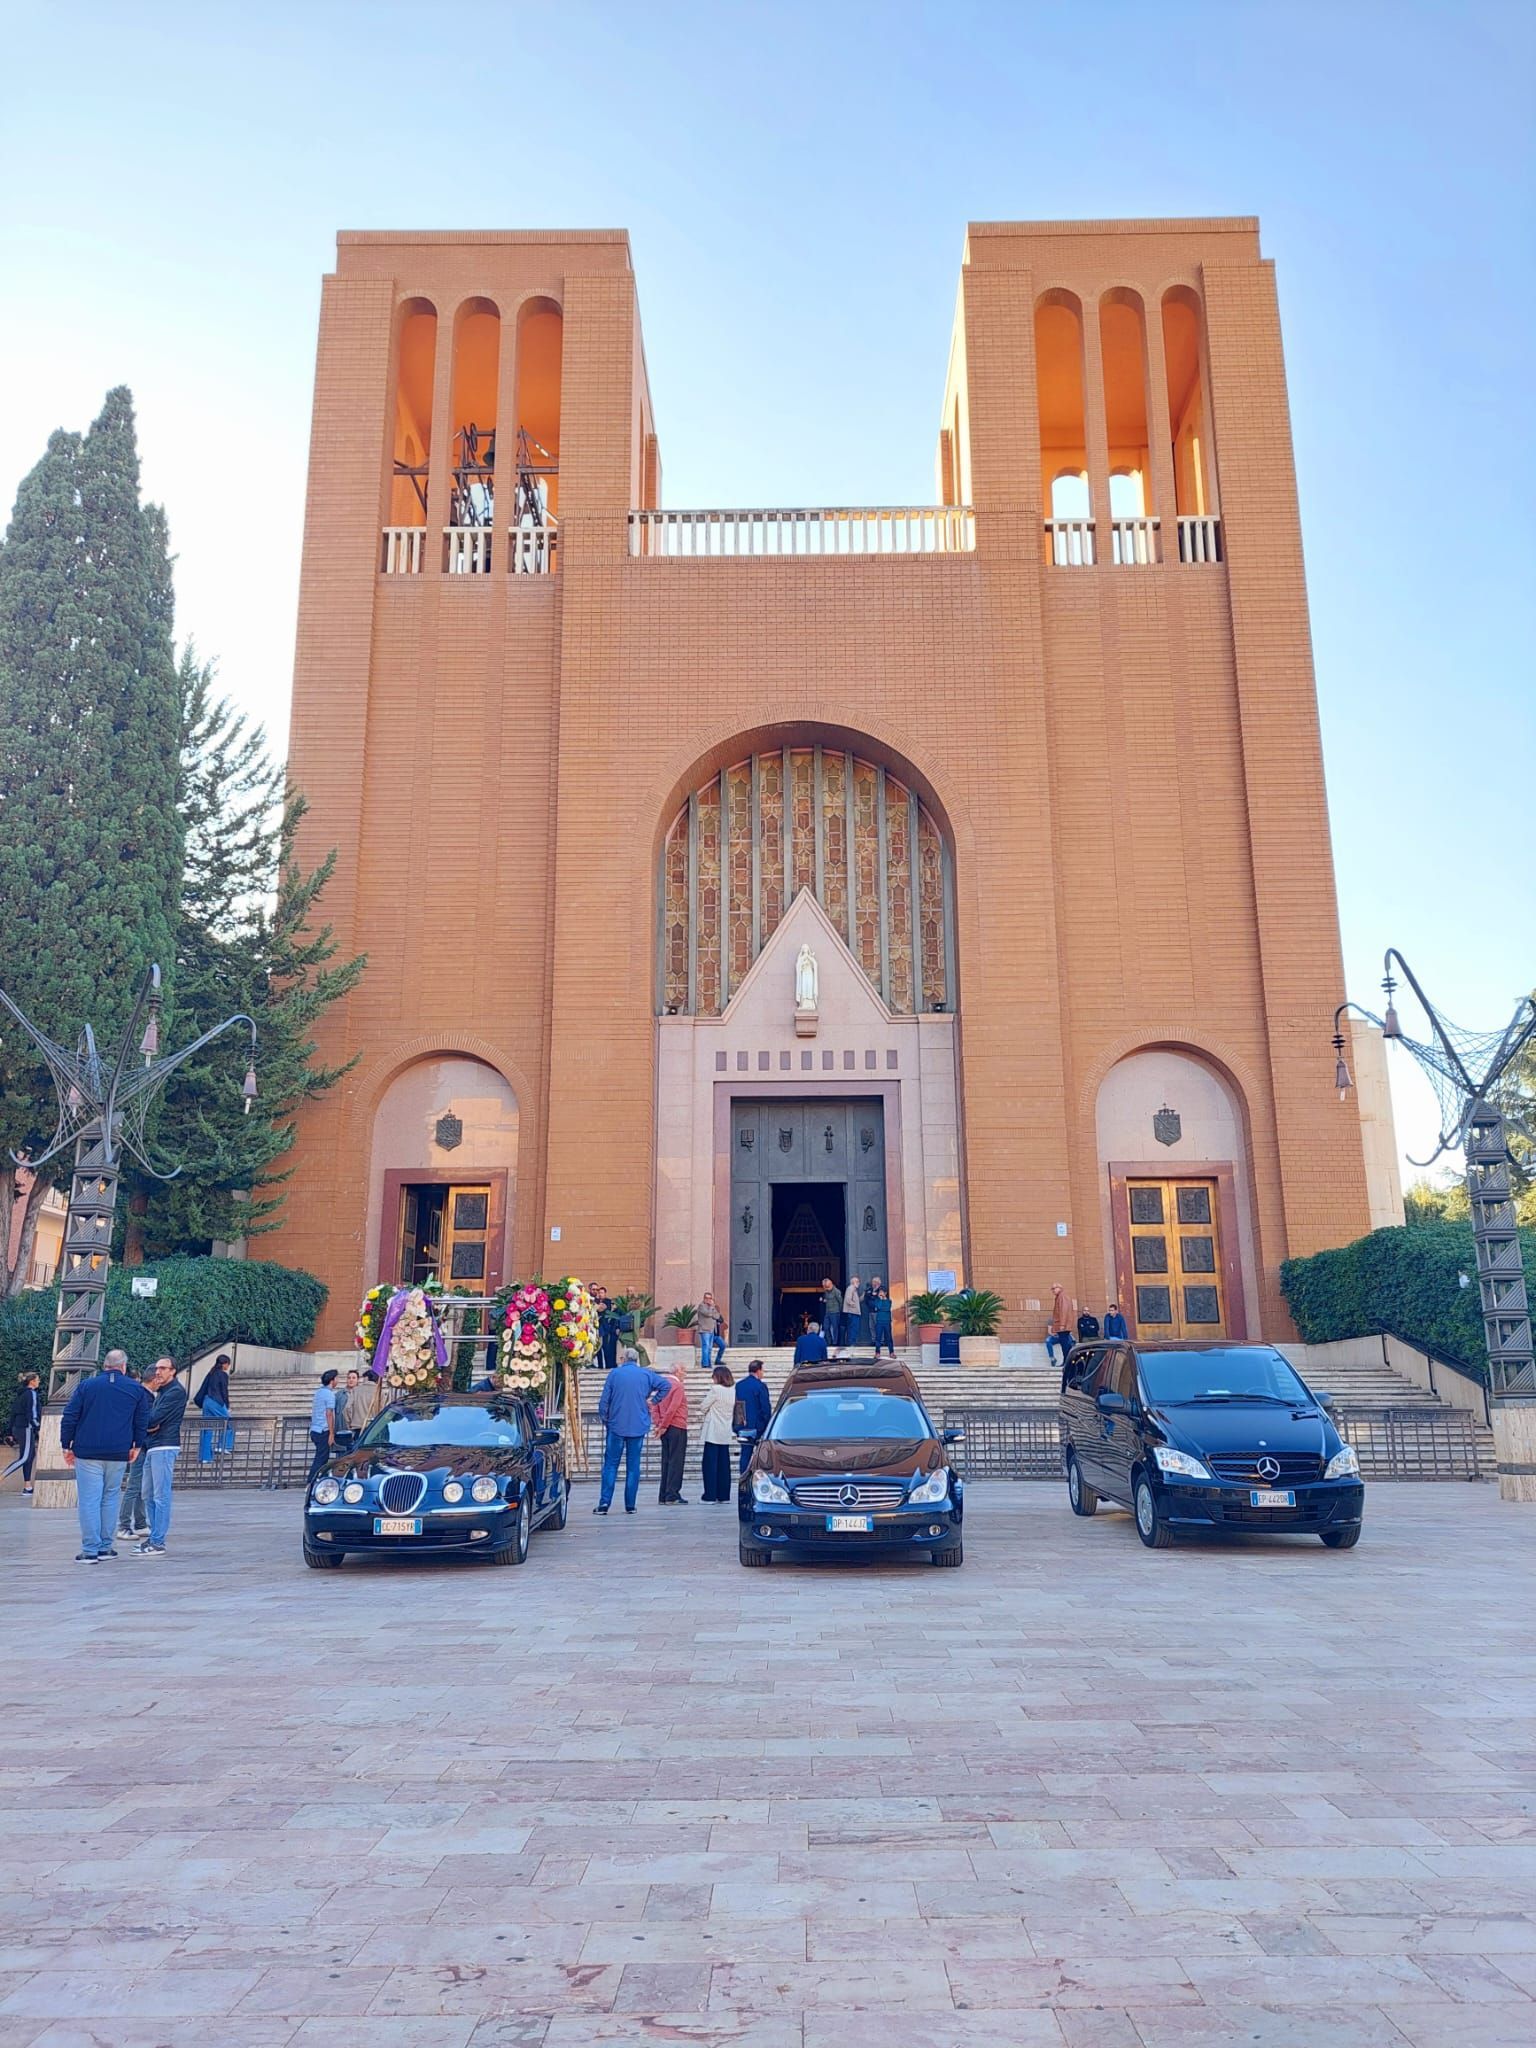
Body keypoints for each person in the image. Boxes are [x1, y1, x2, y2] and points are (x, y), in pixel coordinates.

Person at [59, 1350, 149, 1561]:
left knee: (89, 1500)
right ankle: (105, 1547)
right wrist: (136, 1445)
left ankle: (90, 1549)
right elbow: (142, 1419)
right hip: (119, 1452)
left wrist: (66, 1445)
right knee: (110, 1497)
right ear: (124, 1367)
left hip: (87, 1451)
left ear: (105, 1365)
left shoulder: (86, 1386)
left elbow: (70, 1416)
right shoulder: (136, 1389)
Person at [595, 1344, 670, 1514]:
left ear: (624, 1359)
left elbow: (604, 1400)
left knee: (610, 1465)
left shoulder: (615, 1374)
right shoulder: (646, 1374)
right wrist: (653, 1400)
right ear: (636, 1360)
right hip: (638, 1424)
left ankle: (604, 1503)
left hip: (616, 1424)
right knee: (633, 1466)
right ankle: (630, 1505)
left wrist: (606, 1419)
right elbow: (666, 1385)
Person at [136, 1356, 187, 1556]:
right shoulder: (162, 1392)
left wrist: (148, 1423)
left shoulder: (175, 1392)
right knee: (147, 1494)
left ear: (173, 1371)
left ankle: (158, 1541)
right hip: (153, 1446)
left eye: (163, 1368)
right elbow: (150, 1421)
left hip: (165, 1446)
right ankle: (154, 1536)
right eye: (157, 1368)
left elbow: (152, 1419)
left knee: (160, 1495)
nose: (158, 1372)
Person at [115, 1364, 154, 1541]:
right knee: (134, 1486)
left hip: (139, 1444)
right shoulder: (143, 1396)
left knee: (139, 1487)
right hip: (139, 1445)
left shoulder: (138, 1394)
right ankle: (124, 1525)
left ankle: (140, 1523)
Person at [651, 1365, 690, 1505]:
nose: (685, 1374)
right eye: (684, 1371)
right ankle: (672, 1494)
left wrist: (659, 1425)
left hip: (665, 1427)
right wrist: (664, 1425)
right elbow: (673, 1408)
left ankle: (663, 1494)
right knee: (676, 1461)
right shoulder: (678, 1386)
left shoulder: (662, 1385)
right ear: (677, 1372)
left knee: (666, 1460)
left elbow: (654, 1405)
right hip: (676, 1426)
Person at [699, 1365, 736, 1501]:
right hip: (725, 1430)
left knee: (710, 1465)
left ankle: (710, 1495)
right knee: (724, 1465)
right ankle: (724, 1495)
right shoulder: (733, 1390)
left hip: (713, 1431)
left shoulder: (715, 1390)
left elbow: (703, 1406)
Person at [3, 1370, 42, 1495]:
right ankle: (2, 1476)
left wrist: (9, 1431)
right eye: (38, 1379)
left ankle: (28, 1487)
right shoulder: (31, 1394)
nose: (39, 1381)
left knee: (30, 1457)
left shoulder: (21, 1394)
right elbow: (32, 1413)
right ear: (32, 1381)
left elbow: (13, 1413)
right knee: (25, 1457)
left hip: (19, 1428)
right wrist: (38, 1428)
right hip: (26, 1427)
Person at [193, 1352, 235, 1464]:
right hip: (216, 1401)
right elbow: (224, 1391)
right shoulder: (223, 1375)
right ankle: (223, 1445)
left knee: (207, 1428)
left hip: (207, 1401)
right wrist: (227, 1405)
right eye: (228, 1364)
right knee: (229, 1422)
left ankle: (205, 1457)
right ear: (225, 1364)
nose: (228, 1367)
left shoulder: (211, 1373)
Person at [734, 1357, 773, 1474]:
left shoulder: (739, 1385)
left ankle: (743, 1478)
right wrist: (766, 1424)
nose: (763, 1373)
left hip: (742, 1425)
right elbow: (765, 1407)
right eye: (763, 1370)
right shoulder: (760, 1386)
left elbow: (737, 1406)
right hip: (757, 1426)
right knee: (763, 1455)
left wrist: (737, 1426)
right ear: (758, 1371)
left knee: (745, 1454)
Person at [307, 1369, 342, 1484]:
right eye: (337, 1378)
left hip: (315, 1429)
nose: (338, 1380)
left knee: (320, 1457)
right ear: (332, 1380)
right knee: (321, 1458)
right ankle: (312, 1481)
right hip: (323, 1430)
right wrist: (331, 1433)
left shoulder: (319, 1392)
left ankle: (314, 1480)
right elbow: (329, 1413)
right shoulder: (330, 1395)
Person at [344, 1365, 380, 1441]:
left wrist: (350, 1423)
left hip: (358, 1427)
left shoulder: (356, 1390)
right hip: (375, 1427)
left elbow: (347, 1408)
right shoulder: (380, 1392)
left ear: (366, 1378)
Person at [1045, 1284, 1075, 1372]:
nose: (1053, 1290)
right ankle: (1067, 1362)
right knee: (1065, 1345)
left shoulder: (1062, 1297)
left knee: (1065, 1345)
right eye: (1052, 1289)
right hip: (1063, 1326)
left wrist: (1062, 1325)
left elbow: (1063, 1311)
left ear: (1060, 1288)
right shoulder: (1061, 1297)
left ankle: (1067, 1363)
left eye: (1054, 1288)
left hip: (1063, 1327)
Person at [335, 1369, 364, 1454]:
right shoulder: (339, 1395)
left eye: (354, 1378)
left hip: (356, 1430)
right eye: (349, 1378)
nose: (351, 1380)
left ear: (358, 1380)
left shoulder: (361, 1394)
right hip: (342, 1430)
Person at [696, 1292, 726, 1370]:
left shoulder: (712, 1307)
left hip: (712, 1330)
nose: (708, 1300)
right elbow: (707, 1314)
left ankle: (708, 1362)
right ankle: (705, 1363)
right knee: (705, 1346)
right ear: (704, 1299)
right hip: (705, 1330)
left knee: (709, 1348)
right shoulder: (701, 1306)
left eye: (710, 1298)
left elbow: (717, 1316)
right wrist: (712, 1308)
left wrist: (712, 1309)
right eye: (707, 1298)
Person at [867, 1278, 895, 1358]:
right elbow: (878, 1307)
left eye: (882, 1292)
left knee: (889, 1337)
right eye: (880, 1292)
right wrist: (880, 1300)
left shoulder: (889, 1301)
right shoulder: (877, 1300)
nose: (881, 1293)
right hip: (879, 1321)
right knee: (878, 1337)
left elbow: (887, 1308)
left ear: (885, 1293)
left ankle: (891, 1352)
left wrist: (883, 1301)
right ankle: (877, 1352)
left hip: (886, 1321)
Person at [820, 1278, 842, 1354]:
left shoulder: (836, 1291)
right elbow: (825, 1299)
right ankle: (829, 1341)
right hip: (827, 1312)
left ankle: (835, 1342)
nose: (826, 1288)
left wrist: (840, 1311)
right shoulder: (826, 1291)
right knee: (826, 1327)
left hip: (835, 1312)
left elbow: (840, 1302)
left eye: (827, 1286)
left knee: (835, 1327)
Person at [842, 1275, 863, 1356]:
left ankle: (852, 1342)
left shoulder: (854, 1290)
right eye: (857, 1282)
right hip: (852, 1312)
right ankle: (852, 1343)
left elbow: (857, 1301)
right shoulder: (851, 1288)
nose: (859, 1283)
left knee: (853, 1328)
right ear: (853, 1282)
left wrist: (863, 1296)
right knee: (853, 1328)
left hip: (854, 1312)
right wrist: (854, 1305)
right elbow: (848, 1299)